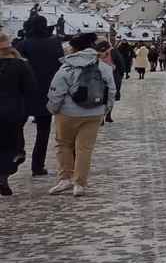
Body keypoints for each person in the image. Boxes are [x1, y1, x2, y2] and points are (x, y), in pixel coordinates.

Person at [45, 31, 115, 197]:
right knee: (84, 148)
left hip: (67, 113)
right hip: (94, 113)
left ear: (75, 49)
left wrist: (53, 109)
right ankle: (80, 184)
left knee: (63, 144)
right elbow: (111, 90)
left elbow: (56, 91)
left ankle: (65, 179)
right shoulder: (103, 66)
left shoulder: (67, 66)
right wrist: (105, 110)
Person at [15, 14, 63, 178]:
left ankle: (18, 151)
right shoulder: (55, 42)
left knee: (17, 126)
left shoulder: (23, 44)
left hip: (24, 93)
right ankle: (37, 166)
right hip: (47, 92)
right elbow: (60, 65)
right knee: (43, 132)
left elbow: (17, 66)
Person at [0, 32, 37, 197]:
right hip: (13, 112)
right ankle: (4, 175)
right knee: (13, 147)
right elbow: (31, 89)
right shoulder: (21, 65)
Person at [97, 39, 121, 124]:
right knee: (106, 96)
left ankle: (105, 116)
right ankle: (105, 116)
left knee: (106, 96)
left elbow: (120, 63)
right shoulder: (111, 51)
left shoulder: (112, 52)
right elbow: (120, 63)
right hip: (105, 77)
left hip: (106, 77)